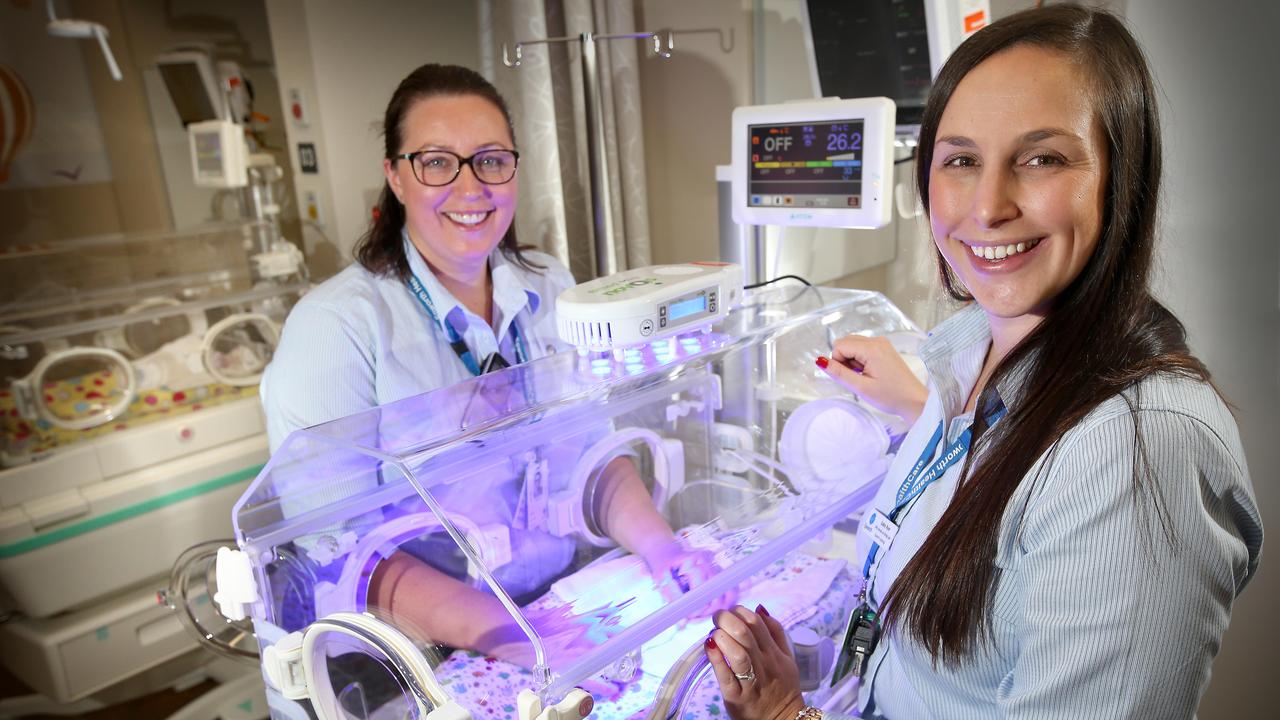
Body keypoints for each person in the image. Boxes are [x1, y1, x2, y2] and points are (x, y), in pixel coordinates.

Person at [703, 5, 1263, 719]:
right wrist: (925, 405)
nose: (989, 206)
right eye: (962, 160)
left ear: (1121, 178)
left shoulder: (1139, 452)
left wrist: (789, 717)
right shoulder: (975, 348)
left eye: (1042, 158)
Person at [260, 63, 707, 667]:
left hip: (552, 602)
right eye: (437, 162)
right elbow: (337, 551)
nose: (471, 189)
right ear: (395, 176)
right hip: (418, 653)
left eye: (491, 159)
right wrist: (520, 640)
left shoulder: (549, 286)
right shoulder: (337, 327)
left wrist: (664, 552)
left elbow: (593, 459)